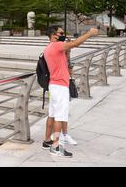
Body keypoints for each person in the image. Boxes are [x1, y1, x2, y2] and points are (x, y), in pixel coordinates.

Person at [42, 25, 99, 157]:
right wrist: (89, 33)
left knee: (52, 114)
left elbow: (64, 60)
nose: (63, 34)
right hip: (60, 87)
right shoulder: (56, 46)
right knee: (59, 117)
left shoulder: (48, 48)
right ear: (53, 35)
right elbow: (75, 43)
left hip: (53, 85)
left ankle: (46, 141)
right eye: (61, 33)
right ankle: (56, 146)